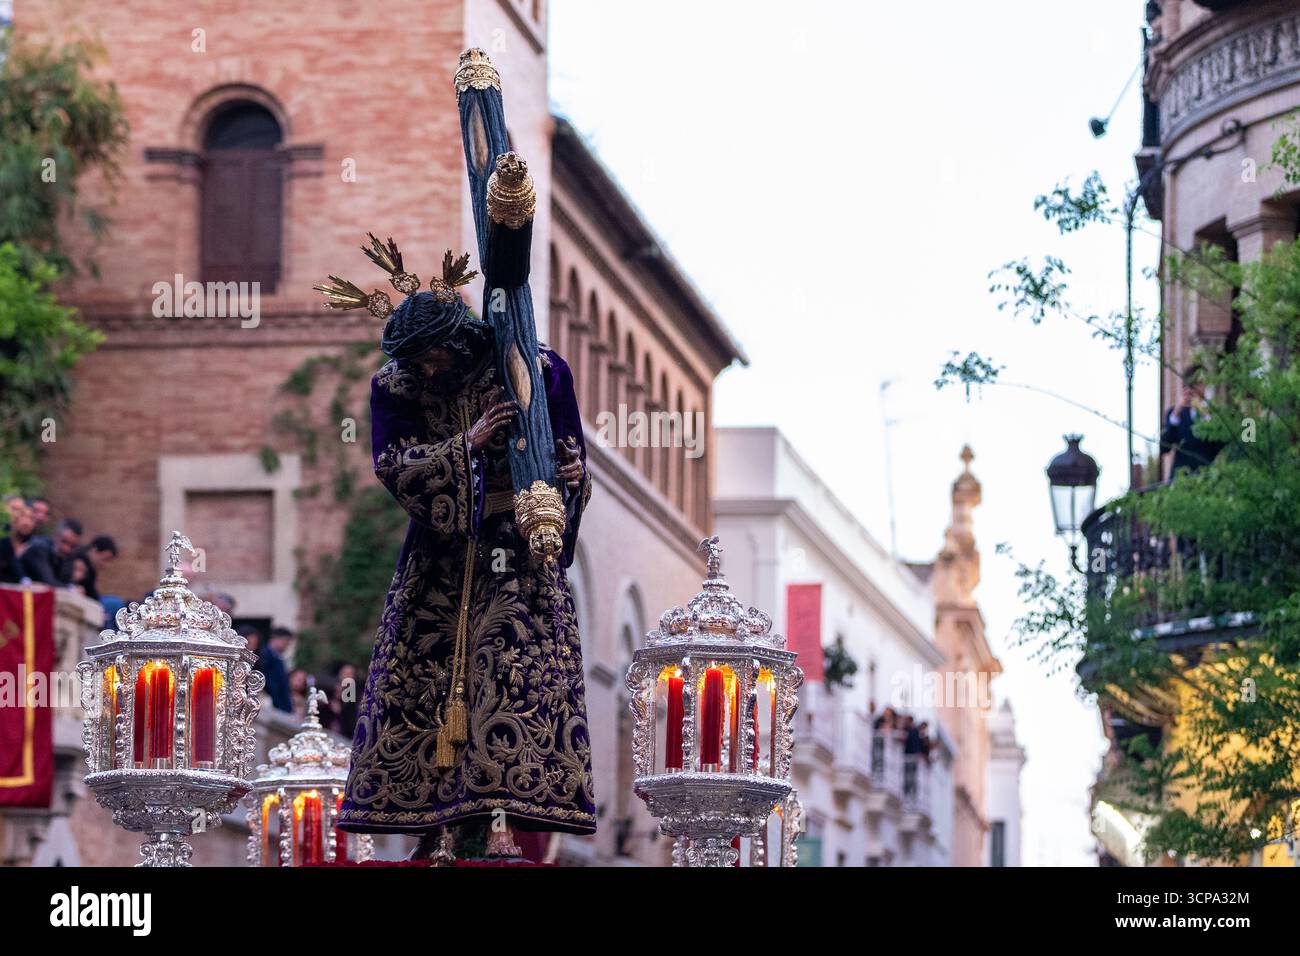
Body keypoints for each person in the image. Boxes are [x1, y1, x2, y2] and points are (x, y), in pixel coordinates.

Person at [1160, 366, 1225, 477]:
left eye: (1199, 383)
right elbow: (1164, 448)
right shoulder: (1174, 413)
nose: (1194, 388)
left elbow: (1219, 445)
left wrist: (1206, 415)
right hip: (1180, 479)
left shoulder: (1214, 414)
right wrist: (1176, 414)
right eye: (1190, 384)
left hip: (1205, 477)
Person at [0, 503, 59, 585]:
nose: (27, 523)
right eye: (23, 517)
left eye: (31, 519)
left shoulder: (36, 548)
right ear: (14, 520)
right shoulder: (4, 544)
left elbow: (44, 576)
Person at [74, 535, 118, 601]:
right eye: (105, 559)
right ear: (94, 550)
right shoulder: (78, 562)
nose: (106, 565)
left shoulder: (91, 568)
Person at [50, 517, 84, 583]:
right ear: (55, 535)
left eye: (73, 546)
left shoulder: (71, 557)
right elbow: (49, 581)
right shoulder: (40, 549)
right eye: (64, 541)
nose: (67, 549)